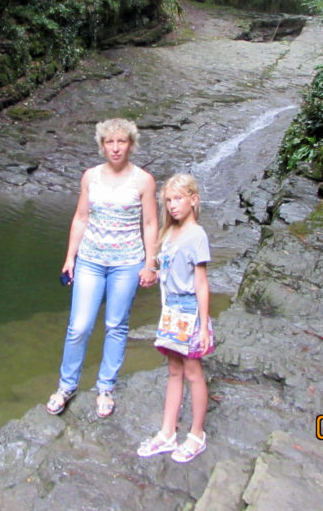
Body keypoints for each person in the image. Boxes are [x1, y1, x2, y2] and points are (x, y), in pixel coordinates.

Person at [46, 118, 159, 418]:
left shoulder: (144, 180)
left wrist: (151, 263)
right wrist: (70, 257)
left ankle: (105, 387)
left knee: (115, 325)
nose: (116, 147)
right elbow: (81, 217)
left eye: (122, 141)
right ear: (102, 145)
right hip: (90, 260)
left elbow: (150, 223)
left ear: (131, 145)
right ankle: (66, 386)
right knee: (79, 326)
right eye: (110, 141)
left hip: (126, 262)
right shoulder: (90, 177)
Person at [136, 173, 212, 463]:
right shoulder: (168, 234)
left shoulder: (197, 235)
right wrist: (152, 274)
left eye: (178, 199)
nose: (172, 205)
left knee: (193, 372)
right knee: (174, 371)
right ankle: (167, 432)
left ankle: (196, 434)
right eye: (168, 200)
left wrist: (203, 326)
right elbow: (167, 270)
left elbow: (201, 283)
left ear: (193, 200)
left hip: (190, 313)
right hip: (170, 312)